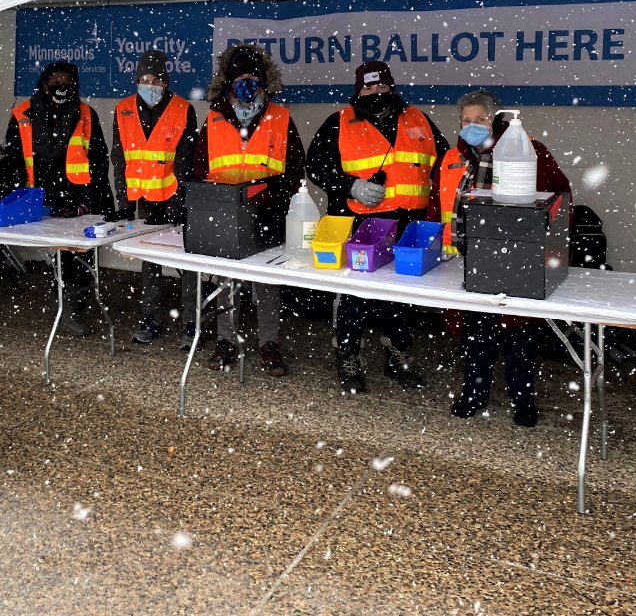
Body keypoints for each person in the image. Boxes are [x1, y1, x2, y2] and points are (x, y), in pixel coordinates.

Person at [305, 60, 448, 395]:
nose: (376, 93)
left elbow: (443, 162)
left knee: (400, 295)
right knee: (354, 293)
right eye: (368, 88)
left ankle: (398, 353)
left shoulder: (418, 119)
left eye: (381, 86)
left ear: (392, 86)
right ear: (358, 90)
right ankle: (349, 354)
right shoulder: (338, 122)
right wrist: (349, 185)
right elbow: (316, 167)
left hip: (408, 225)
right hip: (359, 224)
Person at [430, 89, 571, 427]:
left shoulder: (530, 152)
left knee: (519, 335)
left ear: (495, 118)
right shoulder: (452, 157)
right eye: (466, 120)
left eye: (480, 118)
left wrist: (547, 246)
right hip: (468, 259)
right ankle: (474, 393)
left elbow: (559, 199)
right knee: (477, 332)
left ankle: (523, 399)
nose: (473, 125)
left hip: (517, 260)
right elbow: (436, 206)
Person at [193, 44, 305, 377]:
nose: (246, 85)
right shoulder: (213, 118)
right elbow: (198, 170)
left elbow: (295, 169)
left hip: (268, 217)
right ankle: (226, 341)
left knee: (266, 283)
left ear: (262, 82)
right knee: (227, 281)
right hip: (225, 217)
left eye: (252, 79)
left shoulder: (281, 117)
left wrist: (271, 195)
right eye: (239, 78)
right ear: (228, 83)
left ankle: (269, 343)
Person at [3, 61, 114, 337]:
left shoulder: (85, 113)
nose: (60, 86)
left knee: (78, 257)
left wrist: (89, 200)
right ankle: (60, 300)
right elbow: (12, 159)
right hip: (36, 197)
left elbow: (98, 161)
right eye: (56, 80)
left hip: (77, 199)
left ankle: (72, 308)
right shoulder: (23, 112)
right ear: (44, 82)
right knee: (56, 256)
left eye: (67, 81)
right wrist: (19, 194)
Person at [106, 49, 198, 345]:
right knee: (149, 262)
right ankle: (149, 319)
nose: (150, 84)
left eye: (156, 79)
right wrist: (124, 203)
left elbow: (185, 162)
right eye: (144, 79)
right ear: (136, 80)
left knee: (185, 262)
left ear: (165, 81)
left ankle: (190, 323)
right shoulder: (123, 110)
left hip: (175, 199)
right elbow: (119, 161)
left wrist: (177, 203)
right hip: (144, 202)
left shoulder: (183, 109)